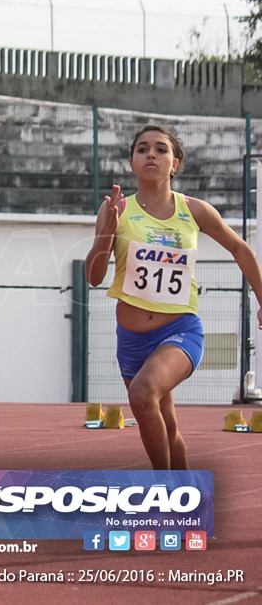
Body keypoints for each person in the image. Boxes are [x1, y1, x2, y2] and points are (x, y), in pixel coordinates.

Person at [85, 124, 262, 469]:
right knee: (166, 426)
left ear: (175, 164)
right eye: (143, 149)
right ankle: (186, 495)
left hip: (179, 332)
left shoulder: (195, 211)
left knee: (141, 394)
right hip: (132, 340)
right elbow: (94, 278)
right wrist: (106, 234)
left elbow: (240, 249)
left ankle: (164, 492)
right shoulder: (115, 212)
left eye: (161, 149)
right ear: (133, 162)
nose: (151, 153)